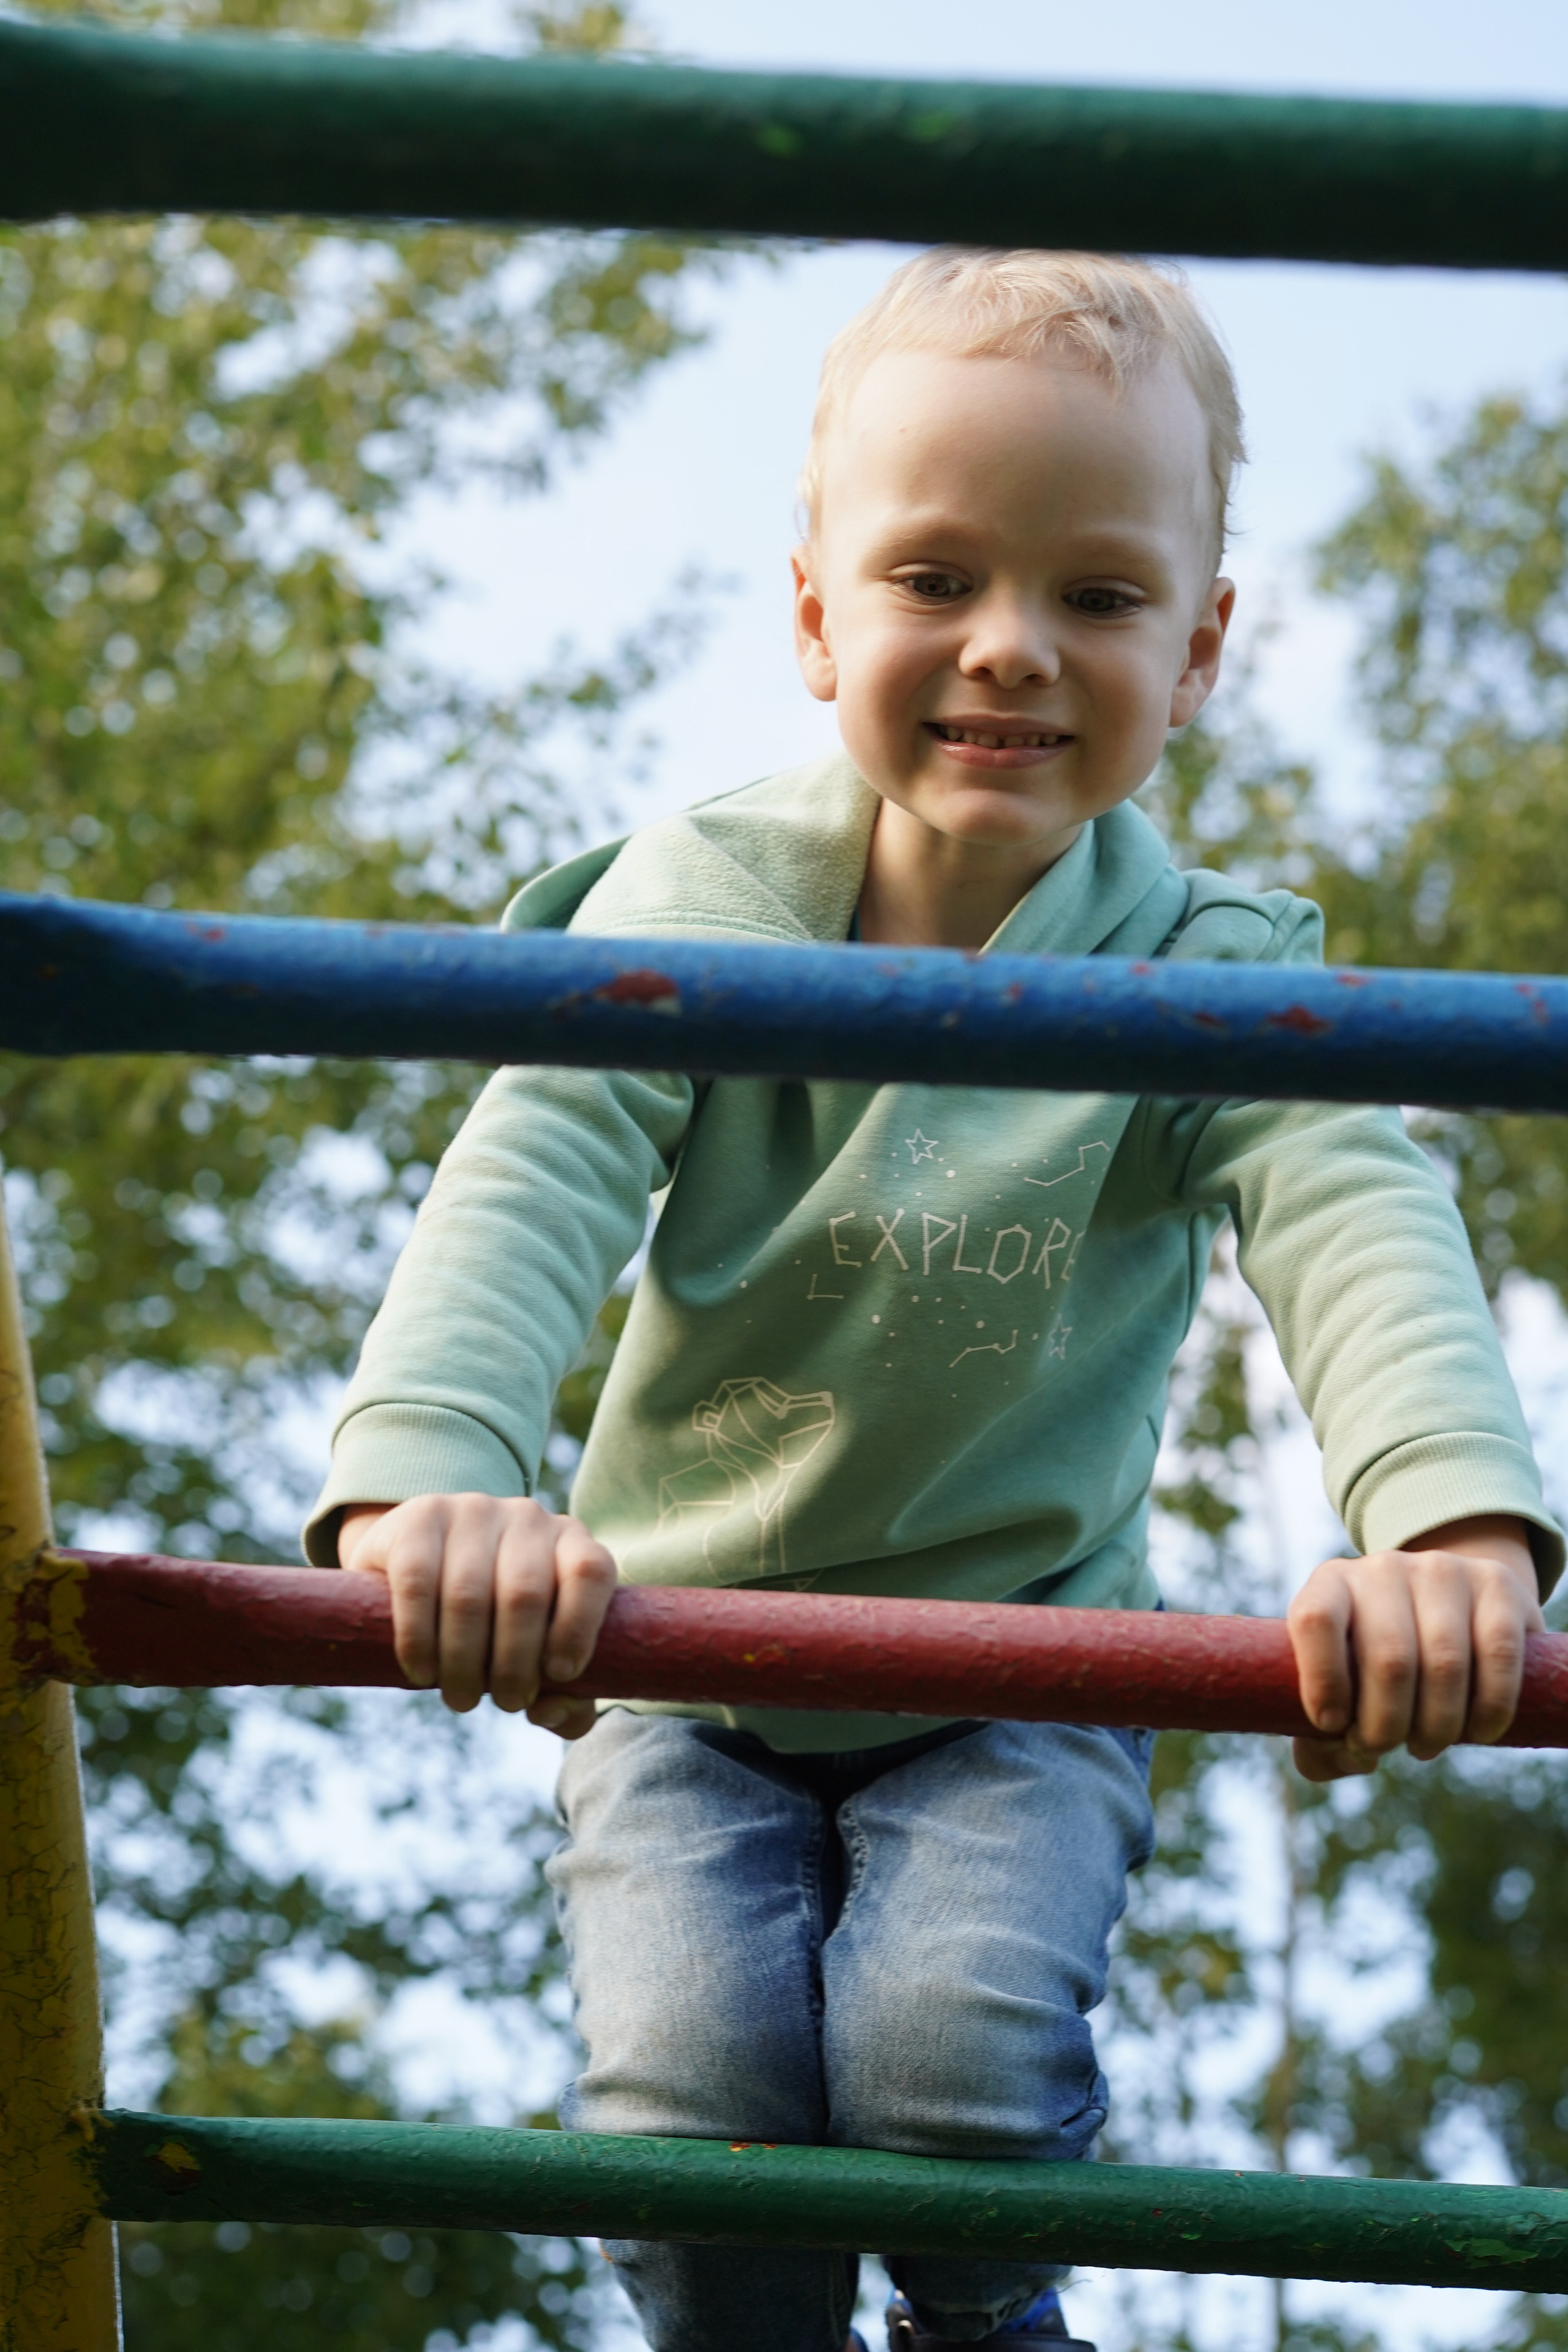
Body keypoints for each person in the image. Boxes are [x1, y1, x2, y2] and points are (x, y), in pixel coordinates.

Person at [304, 250, 1562, 2352]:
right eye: (935, 578)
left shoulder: (1210, 966)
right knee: (691, 2121)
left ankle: (996, 2331)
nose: (1012, 649)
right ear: (814, 614)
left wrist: (1447, 1528)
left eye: (1097, 595)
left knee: (950, 2077)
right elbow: (537, 1168)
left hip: (1019, 1672)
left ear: (1203, 645)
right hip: (675, 1658)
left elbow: (1352, 1205)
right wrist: (435, 1474)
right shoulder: (696, 907)